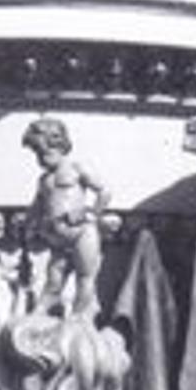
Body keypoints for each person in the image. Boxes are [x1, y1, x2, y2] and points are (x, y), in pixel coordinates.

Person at [21, 115, 118, 317]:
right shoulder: (44, 179)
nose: (40, 159)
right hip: (57, 239)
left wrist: (92, 212)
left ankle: (79, 318)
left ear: (59, 146)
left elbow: (105, 190)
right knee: (53, 282)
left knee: (85, 277)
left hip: (82, 233)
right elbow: (37, 206)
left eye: (44, 152)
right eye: (37, 154)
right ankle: (38, 314)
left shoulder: (76, 168)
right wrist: (30, 225)